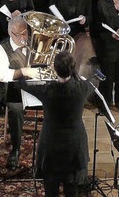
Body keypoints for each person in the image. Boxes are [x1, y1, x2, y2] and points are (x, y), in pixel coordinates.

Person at [20, 51, 93, 197]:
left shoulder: (47, 90)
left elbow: (22, 84)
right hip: (74, 144)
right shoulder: (83, 88)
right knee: (71, 188)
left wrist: (26, 70)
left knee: (51, 187)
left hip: (51, 143)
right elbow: (92, 81)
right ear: (73, 68)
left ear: (55, 69)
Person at [0, 16, 41, 170]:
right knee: (15, 108)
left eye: (25, 33)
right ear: (9, 32)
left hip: (37, 87)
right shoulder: (0, 48)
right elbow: (1, 75)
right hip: (14, 89)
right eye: (17, 34)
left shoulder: (34, 42)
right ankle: (16, 148)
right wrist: (24, 71)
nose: (22, 38)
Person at [49, 0, 95, 78]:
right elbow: (51, 11)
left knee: (84, 47)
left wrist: (84, 19)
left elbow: (90, 16)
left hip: (78, 31)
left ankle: (79, 77)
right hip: (61, 32)